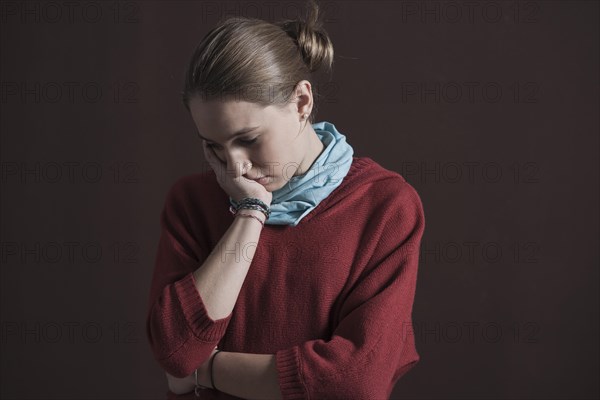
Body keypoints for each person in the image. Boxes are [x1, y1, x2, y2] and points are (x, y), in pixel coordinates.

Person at [145, 1, 425, 399]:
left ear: (301, 103)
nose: (235, 168)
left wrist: (206, 371)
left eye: (248, 139)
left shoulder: (384, 206)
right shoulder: (191, 204)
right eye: (214, 147)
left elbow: (355, 383)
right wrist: (251, 211)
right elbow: (176, 350)